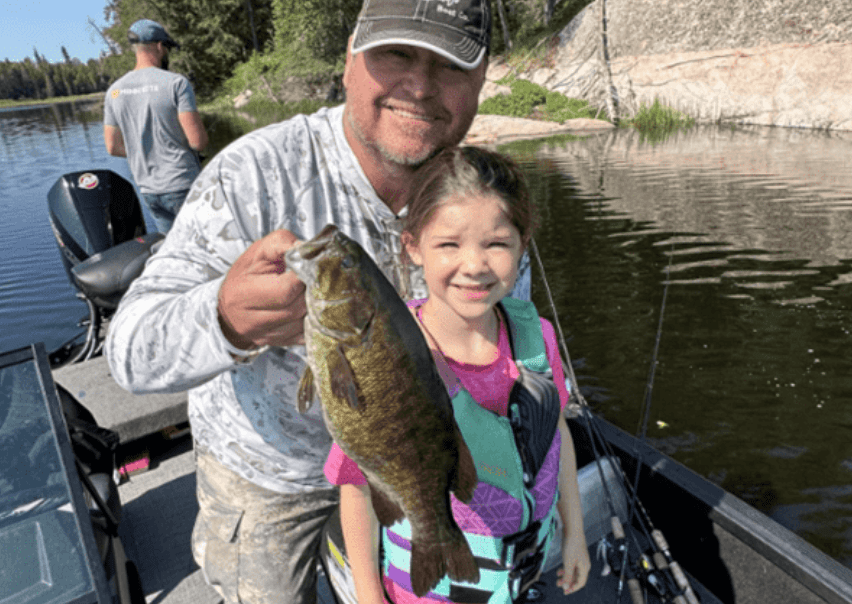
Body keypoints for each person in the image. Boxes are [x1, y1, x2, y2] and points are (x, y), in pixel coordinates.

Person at [105, 1, 532, 602]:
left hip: (417, 464)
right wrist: (224, 319)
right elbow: (129, 353)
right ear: (351, 56)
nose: (420, 85)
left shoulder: (482, 197)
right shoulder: (254, 175)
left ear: (483, 77)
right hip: (274, 479)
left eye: (450, 65)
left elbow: (514, 339)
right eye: (397, 54)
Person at [324, 147, 591, 603]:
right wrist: (368, 597)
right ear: (412, 248)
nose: (474, 265)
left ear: (522, 244)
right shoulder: (384, 358)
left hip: (525, 565)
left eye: (497, 243)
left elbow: (556, 432)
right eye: (449, 244)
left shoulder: (536, 337)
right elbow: (358, 489)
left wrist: (575, 532)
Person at [103, 18, 208, 233]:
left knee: (173, 253)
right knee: (206, 251)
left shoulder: (114, 91)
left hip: (149, 190)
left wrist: (146, 150)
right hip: (183, 185)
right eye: (166, 48)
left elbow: (113, 147)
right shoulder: (176, 83)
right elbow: (197, 142)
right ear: (159, 46)